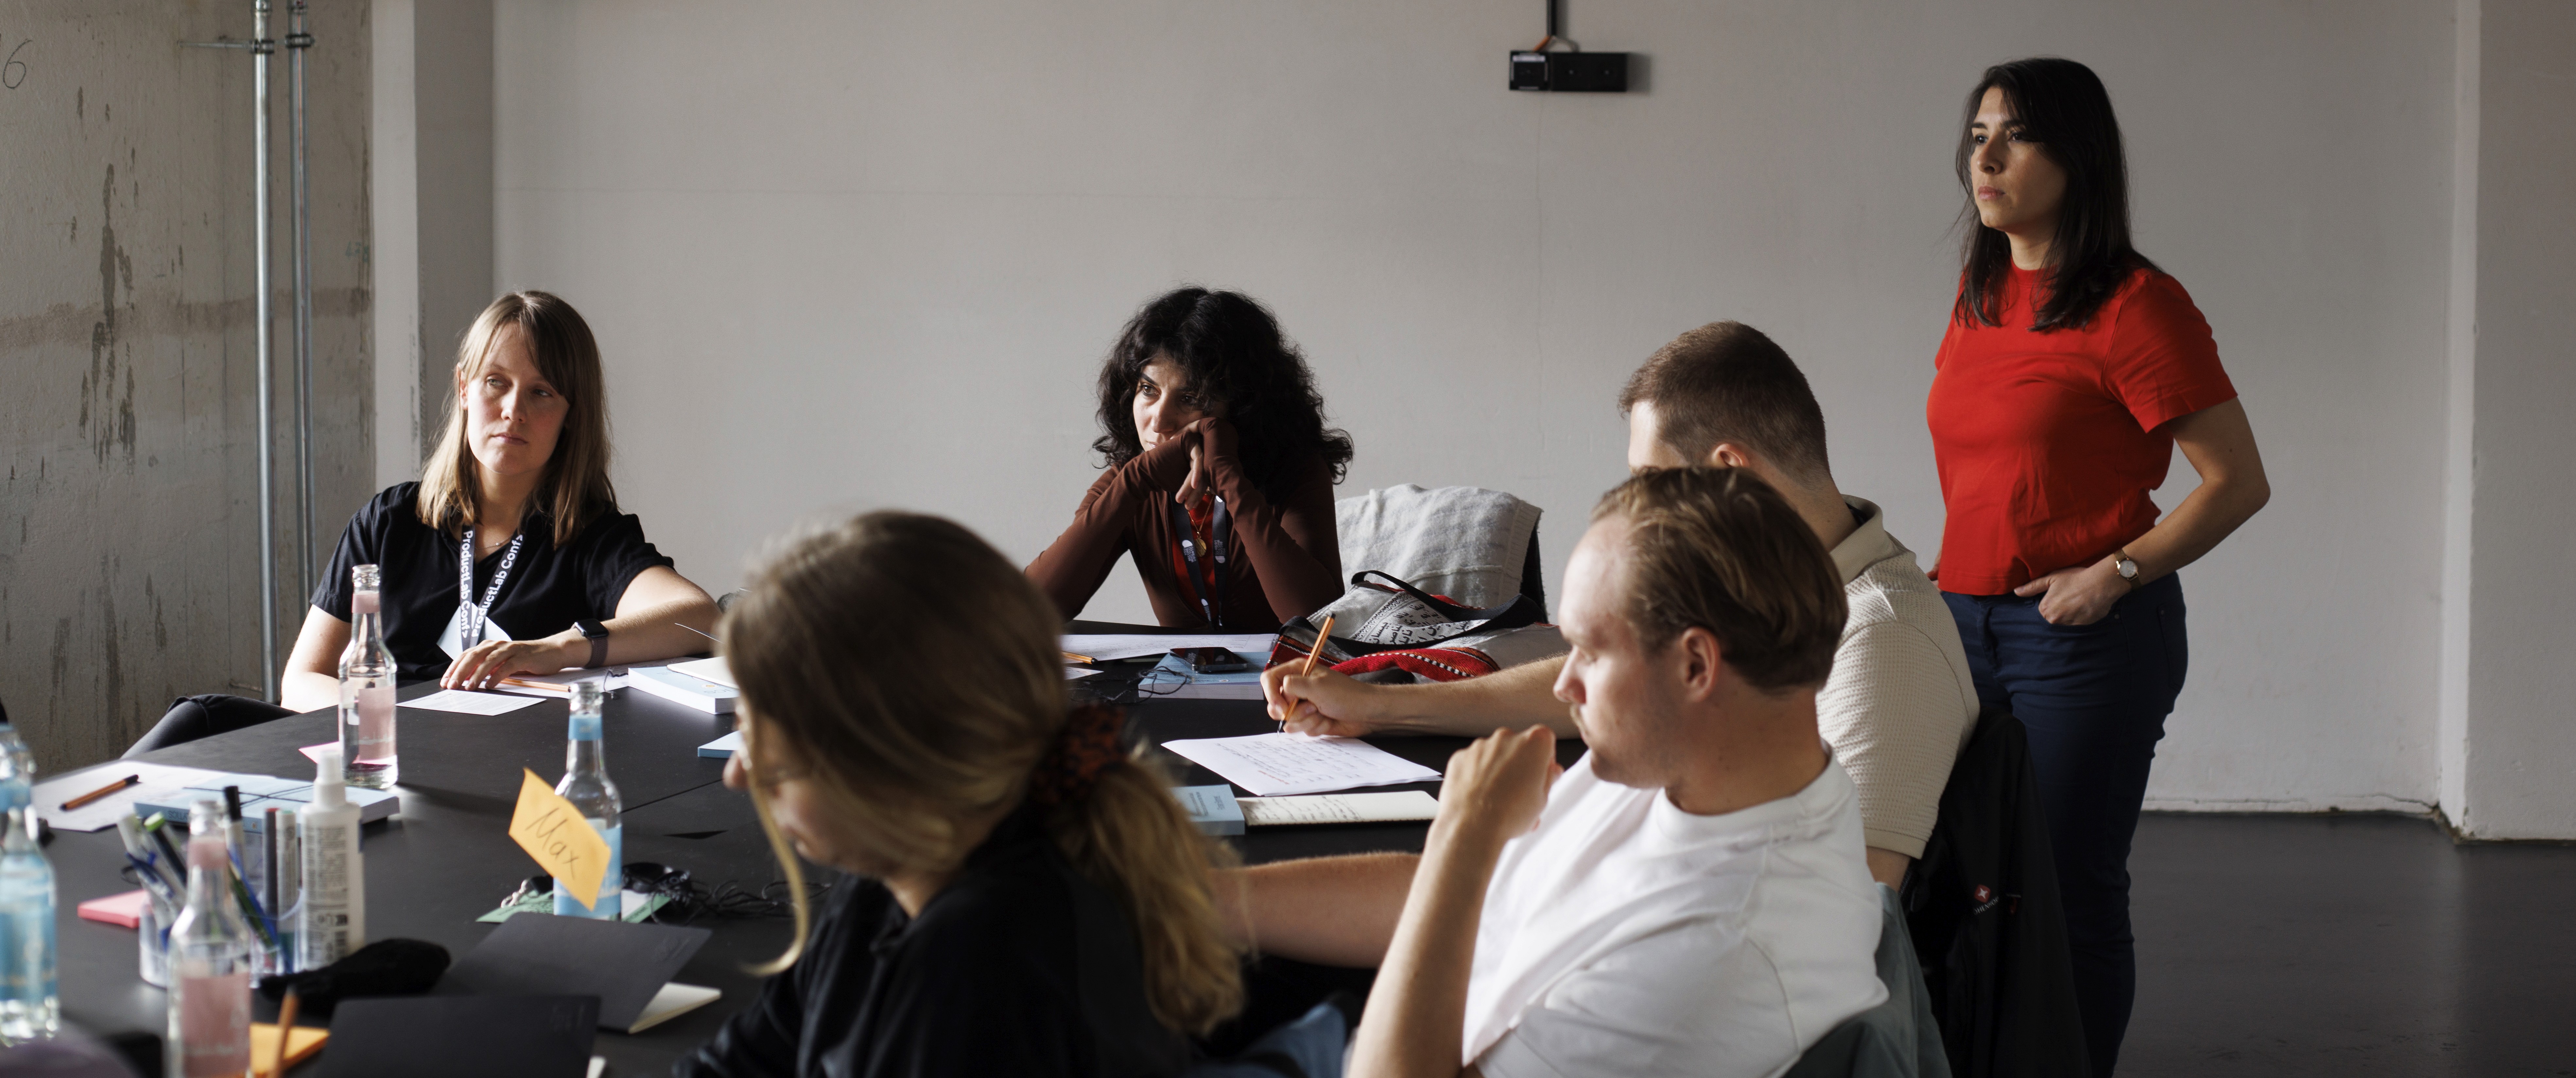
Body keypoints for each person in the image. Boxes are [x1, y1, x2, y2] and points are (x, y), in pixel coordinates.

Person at [1227, 468, 1887, 1078]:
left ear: (1694, 666)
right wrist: (1183, 900)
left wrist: (1464, 835)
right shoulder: (1694, 767)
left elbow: (1457, 898)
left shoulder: (1719, 951)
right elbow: (1488, 901)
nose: (1564, 684)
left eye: (1591, 654)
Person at [1266, 322, 1976, 889]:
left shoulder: (1880, 639)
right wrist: (1381, 705)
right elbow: (1597, 690)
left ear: (1728, 472)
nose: (1639, 506)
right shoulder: (1753, 583)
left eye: (1650, 479)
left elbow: (1856, 900)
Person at [1928, 57, 2270, 1078]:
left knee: (2069, 886)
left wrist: (2112, 571)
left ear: (2076, 159)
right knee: (1958, 871)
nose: (1984, 156)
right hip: (1960, 624)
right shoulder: (1983, 285)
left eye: (2016, 135)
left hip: (2082, 638)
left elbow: (2237, 481)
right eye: (1977, 131)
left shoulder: (2135, 305)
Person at [677, 511, 1243, 1077]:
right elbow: (742, 1063)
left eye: (765, 744)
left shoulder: (980, 964)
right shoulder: (882, 887)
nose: (738, 775)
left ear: (884, 757)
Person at [129, 291, 719, 752]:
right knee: (198, 720)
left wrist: (558, 648)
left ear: (570, 415)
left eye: (542, 393)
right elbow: (302, 682)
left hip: (498, 769)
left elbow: (702, 622)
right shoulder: (390, 521)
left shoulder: (588, 537)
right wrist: (396, 722)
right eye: (497, 382)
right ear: (465, 388)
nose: (513, 409)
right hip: (372, 751)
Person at [1029, 288, 1351, 630]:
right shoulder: (1131, 480)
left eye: (1190, 398)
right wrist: (1135, 481)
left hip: (1283, 683)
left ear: (1243, 408)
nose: (1158, 421)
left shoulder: (1296, 472)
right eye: (1148, 391)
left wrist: (1228, 477)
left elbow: (1316, 620)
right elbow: (1032, 610)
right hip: (1173, 683)